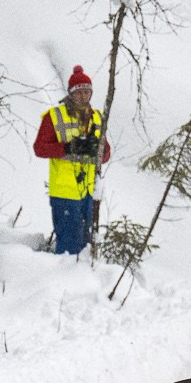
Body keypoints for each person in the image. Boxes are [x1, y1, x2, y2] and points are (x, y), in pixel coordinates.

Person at [33, 65, 112, 256]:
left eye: (87, 92)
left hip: (89, 192)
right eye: (79, 92)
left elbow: (107, 154)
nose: (84, 96)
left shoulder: (97, 117)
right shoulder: (55, 116)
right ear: (71, 93)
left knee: (86, 247)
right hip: (64, 192)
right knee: (68, 249)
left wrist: (97, 150)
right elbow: (39, 148)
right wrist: (68, 148)